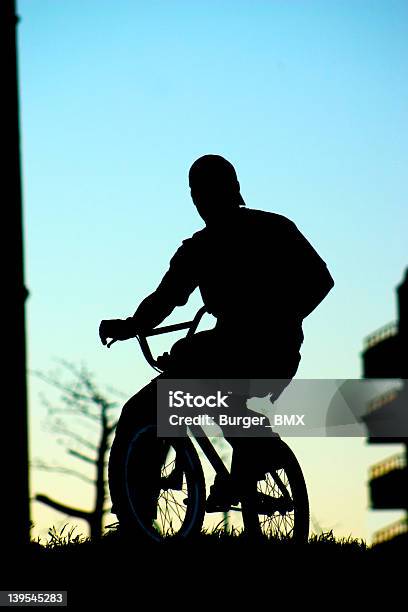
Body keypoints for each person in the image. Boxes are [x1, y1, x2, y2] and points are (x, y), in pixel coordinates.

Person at [100, 154, 334, 513]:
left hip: (271, 350)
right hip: (233, 349)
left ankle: (248, 463)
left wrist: (279, 317)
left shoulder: (273, 229)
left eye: (207, 190)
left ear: (232, 190)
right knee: (142, 412)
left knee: (199, 390)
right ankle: (137, 518)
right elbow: (166, 297)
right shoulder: (198, 248)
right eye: (196, 192)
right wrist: (132, 325)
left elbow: (320, 280)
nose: (201, 199)